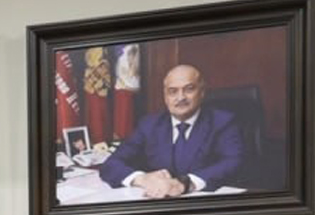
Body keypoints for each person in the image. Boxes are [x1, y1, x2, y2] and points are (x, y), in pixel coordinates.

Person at [98, 63, 244, 197]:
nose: (180, 97)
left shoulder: (223, 122)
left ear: (202, 92)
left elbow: (234, 162)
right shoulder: (149, 124)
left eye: (189, 89)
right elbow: (111, 164)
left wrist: (185, 183)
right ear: (165, 96)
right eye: (172, 91)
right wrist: (142, 179)